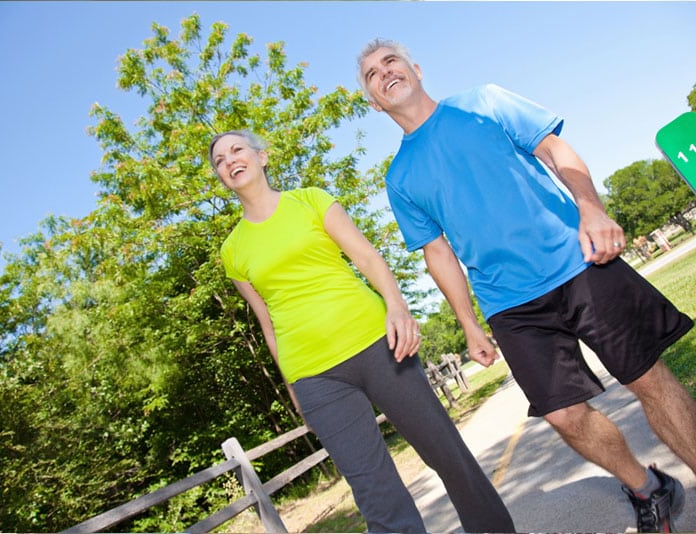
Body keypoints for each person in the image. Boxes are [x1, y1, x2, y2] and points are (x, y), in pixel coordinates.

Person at [357, 38, 696, 533]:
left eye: (391, 62)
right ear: (372, 101)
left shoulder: (483, 101)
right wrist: (469, 324)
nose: (384, 73)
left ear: (416, 69)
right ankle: (649, 488)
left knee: (647, 379)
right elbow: (437, 251)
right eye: (372, 75)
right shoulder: (400, 176)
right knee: (563, 416)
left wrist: (591, 209)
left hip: (578, 262)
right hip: (509, 304)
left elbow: (554, 148)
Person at [209, 129, 515, 533]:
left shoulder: (311, 200)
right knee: (374, 491)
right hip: (314, 375)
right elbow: (267, 323)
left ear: (262, 157)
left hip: (379, 345)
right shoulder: (233, 250)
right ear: (220, 177)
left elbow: (368, 258)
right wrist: (292, 386)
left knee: (445, 452)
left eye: (237, 150)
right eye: (219, 160)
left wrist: (399, 309)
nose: (229, 160)